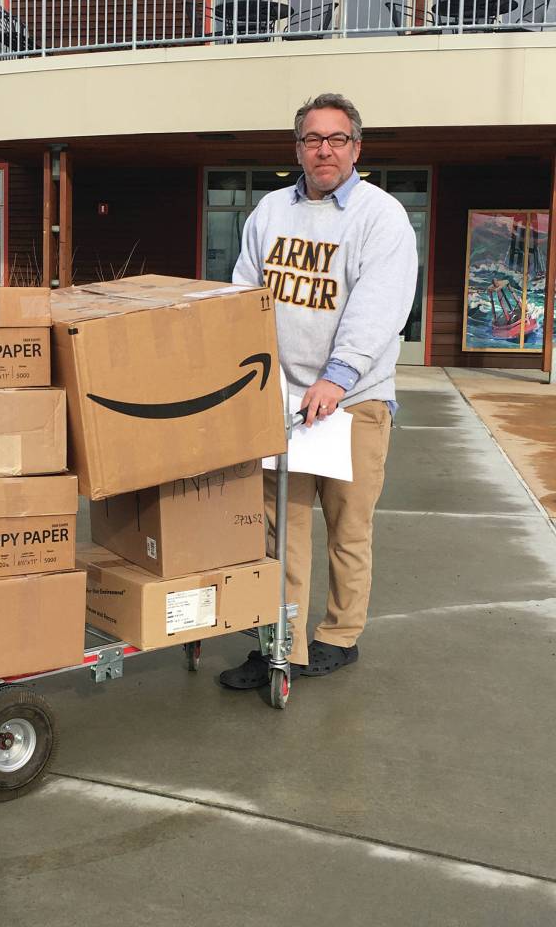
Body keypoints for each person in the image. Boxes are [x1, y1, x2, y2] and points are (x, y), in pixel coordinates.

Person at [220, 92, 418, 688]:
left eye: (336, 139)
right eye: (313, 139)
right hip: (281, 400)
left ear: (357, 148)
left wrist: (339, 376)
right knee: (279, 530)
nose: (324, 149)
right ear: (297, 148)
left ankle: (338, 635)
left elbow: (380, 306)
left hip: (352, 403)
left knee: (347, 529)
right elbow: (245, 294)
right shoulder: (269, 213)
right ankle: (278, 642)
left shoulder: (379, 217)